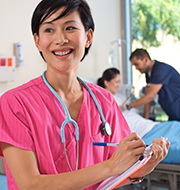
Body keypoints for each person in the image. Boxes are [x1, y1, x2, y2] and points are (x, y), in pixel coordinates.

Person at [0, 1, 169, 190]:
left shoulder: (104, 101)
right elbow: (30, 185)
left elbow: (124, 168)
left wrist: (148, 163)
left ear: (88, 37)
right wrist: (109, 167)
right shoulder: (15, 103)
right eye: (49, 30)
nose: (60, 39)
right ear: (37, 41)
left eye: (70, 28)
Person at [127, 48, 180, 123]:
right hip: (174, 111)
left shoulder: (161, 70)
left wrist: (128, 106)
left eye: (137, 64)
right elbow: (148, 98)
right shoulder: (148, 74)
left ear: (146, 59)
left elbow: (149, 97)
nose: (136, 68)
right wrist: (145, 120)